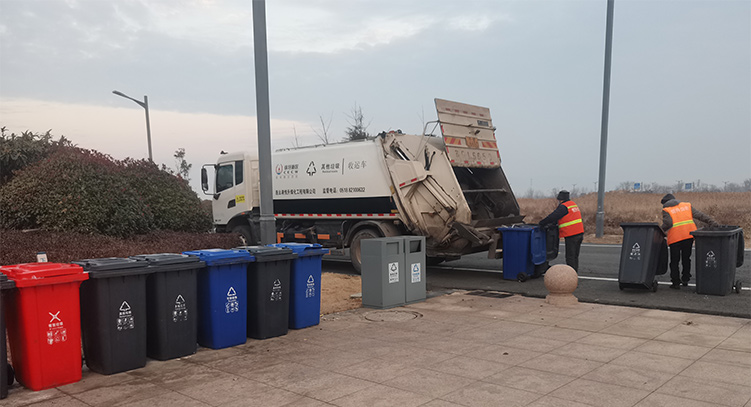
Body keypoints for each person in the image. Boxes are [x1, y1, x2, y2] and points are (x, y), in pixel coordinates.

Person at [660, 193, 718, 289]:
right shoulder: (686, 206)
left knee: (674, 261)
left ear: (665, 203)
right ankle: (685, 279)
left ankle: (676, 282)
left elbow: (668, 223)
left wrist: (660, 231)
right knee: (686, 258)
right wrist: (712, 222)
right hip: (688, 236)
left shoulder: (666, 210)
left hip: (675, 238)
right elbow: (700, 215)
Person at [539, 190, 584, 271]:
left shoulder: (564, 206)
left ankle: (571, 275)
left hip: (571, 234)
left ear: (560, 199)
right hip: (579, 233)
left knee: (570, 257)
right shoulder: (573, 204)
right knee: (575, 256)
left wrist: (542, 223)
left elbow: (553, 216)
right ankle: (574, 272)